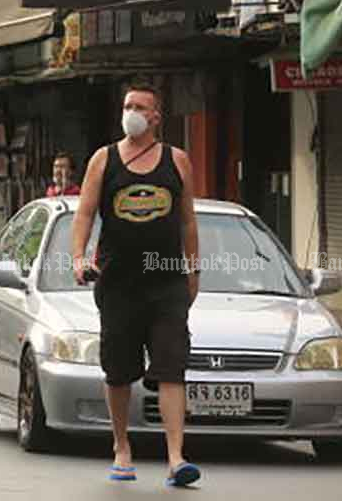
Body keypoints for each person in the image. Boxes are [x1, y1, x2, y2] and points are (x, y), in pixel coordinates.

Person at [71, 84, 200, 488]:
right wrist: (79, 257)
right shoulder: (103, 160)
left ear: (157, 116)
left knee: (171, 368)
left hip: (166, 281)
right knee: (118, 371)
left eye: (140, 107)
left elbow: (188, 221)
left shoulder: (176, 161)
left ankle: (176, 457)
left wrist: (193, 271)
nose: (131, 112)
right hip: (118, 283)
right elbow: (85, 213)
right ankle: (122, 446)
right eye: (127, 105)